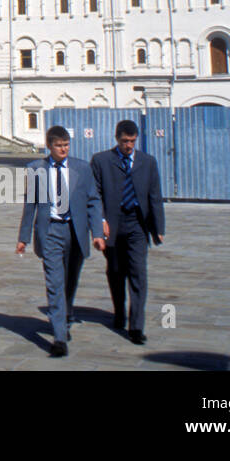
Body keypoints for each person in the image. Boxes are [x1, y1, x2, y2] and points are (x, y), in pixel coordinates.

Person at [17, 125, 105, 358]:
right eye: (58, 145)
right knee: (54, 282)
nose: (63, 149)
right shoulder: (36, 169)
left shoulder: (82, 168)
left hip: (76, 231)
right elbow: (30, 206)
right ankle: (59, 337)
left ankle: (66, 314)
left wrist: (97, 232)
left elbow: (93, 201)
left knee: (70, 280)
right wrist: (23, 238)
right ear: (49, 146)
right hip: (51, 231)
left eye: (66, 145)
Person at [91, 119, 166, 346]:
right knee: (115, 271)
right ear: (117, 139)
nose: (129, 146)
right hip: (112, 225)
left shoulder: (148, 162)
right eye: (125, 141)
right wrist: (99, 223)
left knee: (138, 273)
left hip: (137, 224)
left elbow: (155, 196)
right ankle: (119, 310)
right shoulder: (101, 161)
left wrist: (158, 228)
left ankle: (136, 327)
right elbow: (95, 196)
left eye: (132, 141)